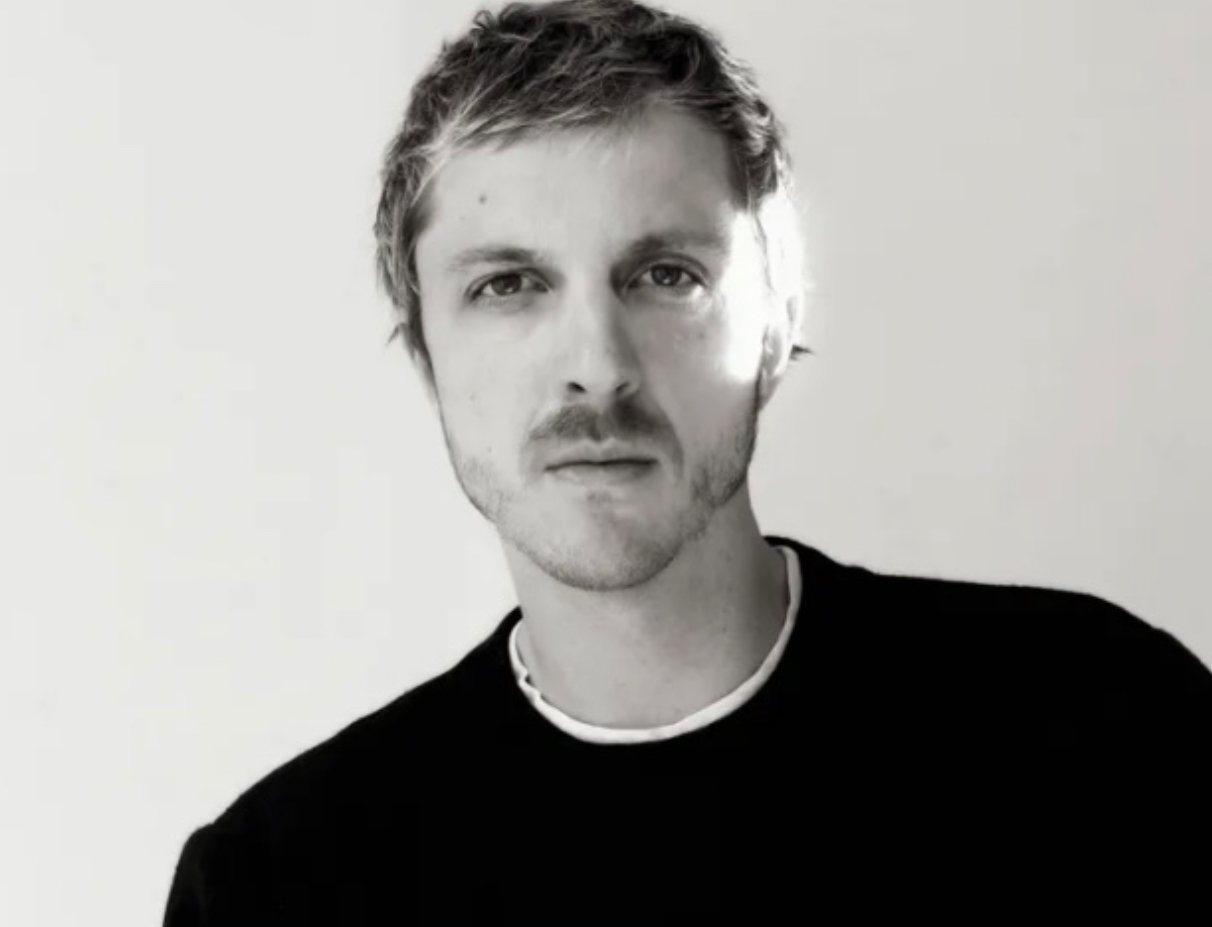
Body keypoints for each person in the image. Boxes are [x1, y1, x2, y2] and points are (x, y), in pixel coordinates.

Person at [164, 0, 1212, 920]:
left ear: (778, 323)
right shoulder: (280, 883)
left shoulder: (1103, 729)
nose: (597, 368)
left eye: (665, 274)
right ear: (426, 351)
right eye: (508, 286)